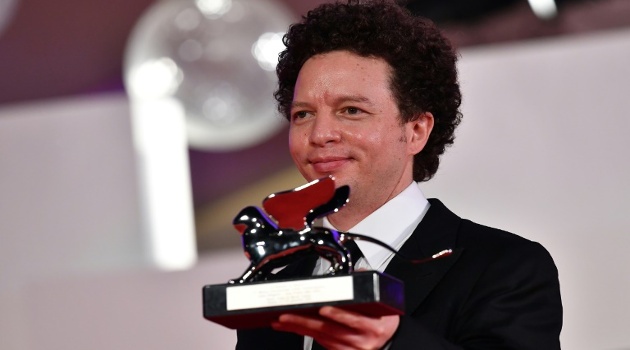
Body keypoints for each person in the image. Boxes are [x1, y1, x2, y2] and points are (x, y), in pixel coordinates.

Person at [236, 0, 563, 349]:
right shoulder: (276, 283)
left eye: (351, 110)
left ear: (417, 130)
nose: (320, 134)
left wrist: (393, 342)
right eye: (303, 114)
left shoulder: (504, 267)